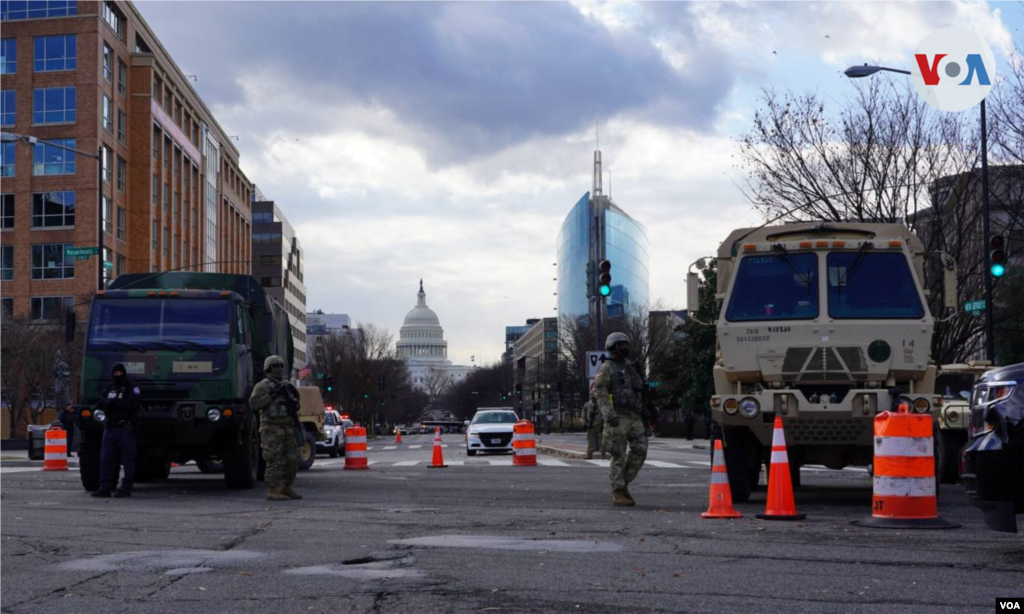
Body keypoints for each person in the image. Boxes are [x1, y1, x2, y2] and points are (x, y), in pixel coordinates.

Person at [594, 332, 648, 507]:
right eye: (622, 344)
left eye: (626, 344)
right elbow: (600, 392)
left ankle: (622, 482)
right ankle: (618, 491)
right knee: (618, 454)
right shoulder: (607, 367)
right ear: (613, 347)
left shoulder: (630, 366)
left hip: (635, 415)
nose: (625, 347)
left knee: (641, 449)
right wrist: (609, 415)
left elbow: (639, 389)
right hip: (618, 416)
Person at [249, 355, 302, 501]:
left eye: (281, 365)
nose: (279, 368)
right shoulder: (262, 386)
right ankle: (272, 489)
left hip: (288, 426)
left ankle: (286, 486)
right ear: (269, 368)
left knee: (293, 459)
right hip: (271, 428)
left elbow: (296, 403)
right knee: (274, 459)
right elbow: (253, 404)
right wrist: (271, 396)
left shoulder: (287, 385)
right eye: (275, 366)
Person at [92, 363, 140, 498]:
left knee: (127, 460)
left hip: (125, 428)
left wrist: (113, 403)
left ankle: (126, 488)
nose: (117, 376)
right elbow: (100, 403)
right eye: (115, 373)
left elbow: (133, 404)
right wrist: (109, 403)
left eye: (119, 373)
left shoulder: (131, 387)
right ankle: (104, 487)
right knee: (106, 459)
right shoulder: (110, 388)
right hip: (110, 428)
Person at [583, 384, 604, 460]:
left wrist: (604, 424)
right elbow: (584, 414)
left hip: (599, 424)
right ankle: (590, 454)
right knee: (590, 440)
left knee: (601, 440)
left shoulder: (601, 404)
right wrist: (584, 423)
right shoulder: (588, 404)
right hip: (590, 425)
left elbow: (604, 414)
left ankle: (603, 454)